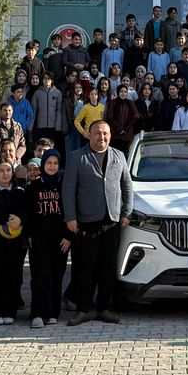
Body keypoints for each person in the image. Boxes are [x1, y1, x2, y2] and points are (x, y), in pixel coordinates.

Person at [63, 121, 134, 326]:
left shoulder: (119, 156)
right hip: (86, 222)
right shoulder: (76, 157)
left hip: (112, 222)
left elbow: (127, 186)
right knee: (84, 268)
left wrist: (126, 213)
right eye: (97, 133)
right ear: (89, 135)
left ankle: (104, 308)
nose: (101, 137)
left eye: (105, 133)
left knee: (107, 267)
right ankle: (83, 310)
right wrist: (70, 217)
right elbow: (68, 189)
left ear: (110, 135)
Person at [27, 150, 71, 329]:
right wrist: (29, 235)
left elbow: (70, 212)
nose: (52, 166)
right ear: (43, 164)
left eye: (55, 163)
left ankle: (53, 312)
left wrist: (69, 236)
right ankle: (38, 313)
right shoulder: (34, 186)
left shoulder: (64, 185)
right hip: (39, 238)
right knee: (40, 275)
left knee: (56, 275)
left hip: (60, 239)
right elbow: (29, 213)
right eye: (48, 163)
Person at [0, 162, 28, 326]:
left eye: (8, 170)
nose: (5, 173)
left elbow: (26, 210)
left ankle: (10, 311)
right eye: (1, 170)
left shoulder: (20, 193)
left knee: (12, 276)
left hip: (14, 243)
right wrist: (9, 219)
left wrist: (20, 218)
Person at [32, 73, 68, 153]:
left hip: (53, 126)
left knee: (52, 146)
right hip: (41, 125)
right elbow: (34, 109)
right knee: (41, 145)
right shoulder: (37, 93)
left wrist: (58, 126)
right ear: (42, 80)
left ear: (52, 80)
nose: (46, 80)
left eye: (49, 78)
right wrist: (30, 126)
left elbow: (59, 110)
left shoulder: (57, 93)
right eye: (45, 78)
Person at [104, 84, 142, 152]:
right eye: (121, 91)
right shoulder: (112, 102)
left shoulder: (129, 102)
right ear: (118, 92)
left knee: (125, 153)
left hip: (126, 134)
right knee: (114, 153)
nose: (123, 93)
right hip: (115, 134)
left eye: (125, 92)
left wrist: (126, 128)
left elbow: (136, 116)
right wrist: (118, 128)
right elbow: (109, 117)